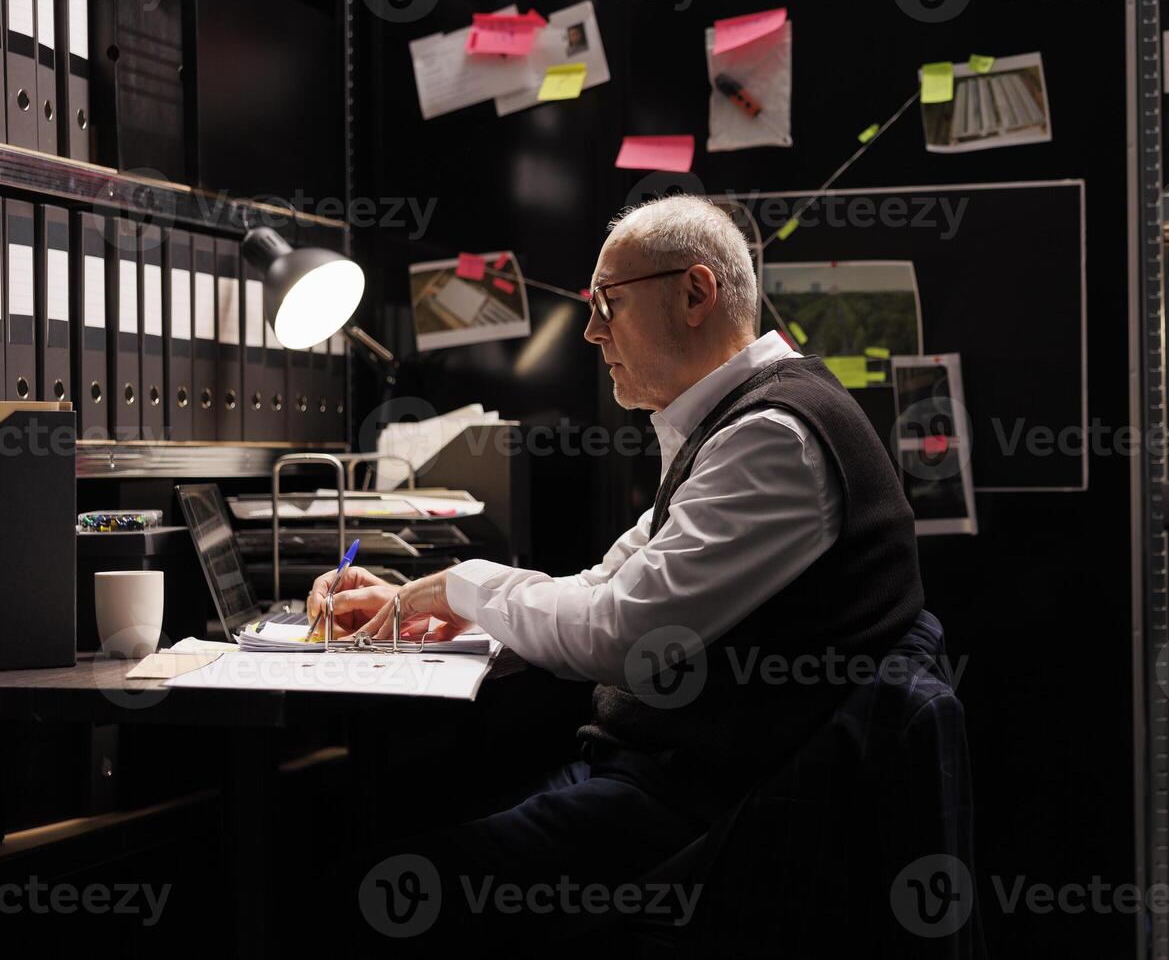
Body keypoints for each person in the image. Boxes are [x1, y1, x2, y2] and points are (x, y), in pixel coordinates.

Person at [312, 194, 924, 942]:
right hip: (676, 779)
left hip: (719, 818)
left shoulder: (774, 439)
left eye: (607, 303)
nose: (593, 332)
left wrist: (463, 584)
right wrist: (438, 604)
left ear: (695, 293)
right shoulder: (733, 426)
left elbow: (625, 633)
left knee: (361, 892)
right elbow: (607, 585)